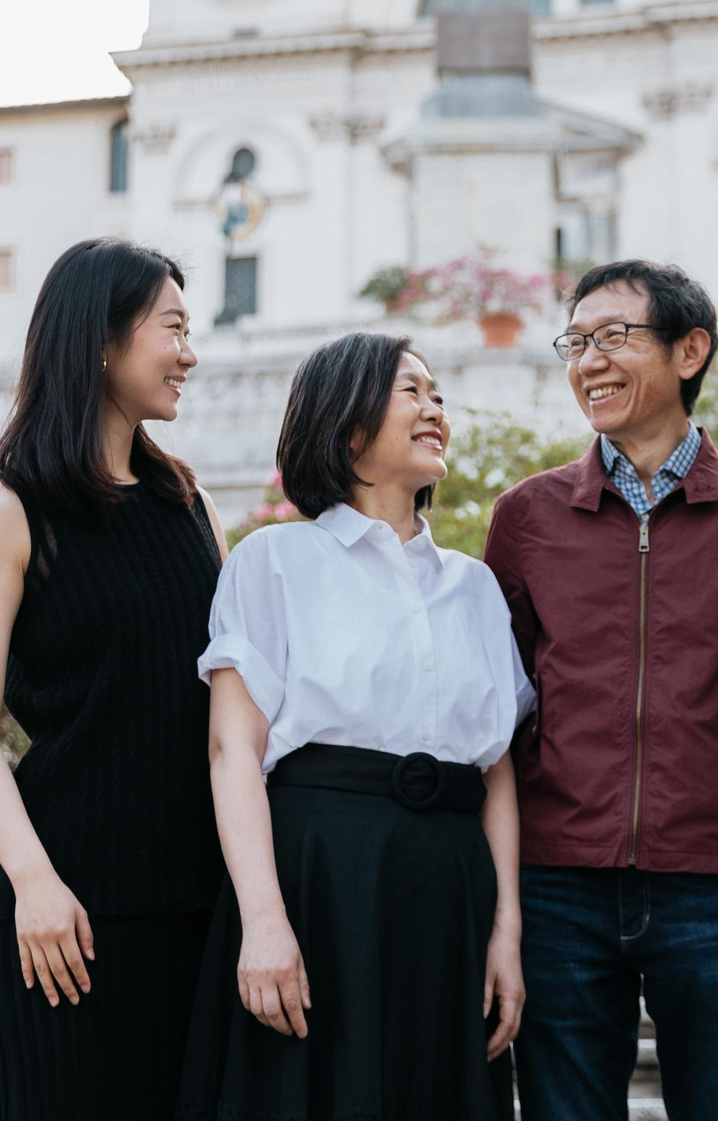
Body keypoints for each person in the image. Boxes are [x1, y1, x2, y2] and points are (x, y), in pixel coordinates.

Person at [485, 260, 718, 1121]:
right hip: (558, 883)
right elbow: (492, 720)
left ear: (690, 350)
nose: (588, 360)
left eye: (615, 337)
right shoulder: (526, 519)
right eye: (576, 340)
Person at [180, 333, 530, 1121]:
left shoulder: (474, 586)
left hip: (450, 889)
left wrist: (507, 929)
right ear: (346, 426)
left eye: (439, 392)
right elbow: (233, 749)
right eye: (411, 390)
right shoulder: (273, 560)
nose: (435, 406)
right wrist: (263, 918)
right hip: (322, 880)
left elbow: (498, 768)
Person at [0, 239, 226, 1119]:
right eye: (171, 327)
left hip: (198, 905)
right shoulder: (8, 512)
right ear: (102, 340)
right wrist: (32, 880)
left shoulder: (187, 502)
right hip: (62, 915)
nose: (189, 352)